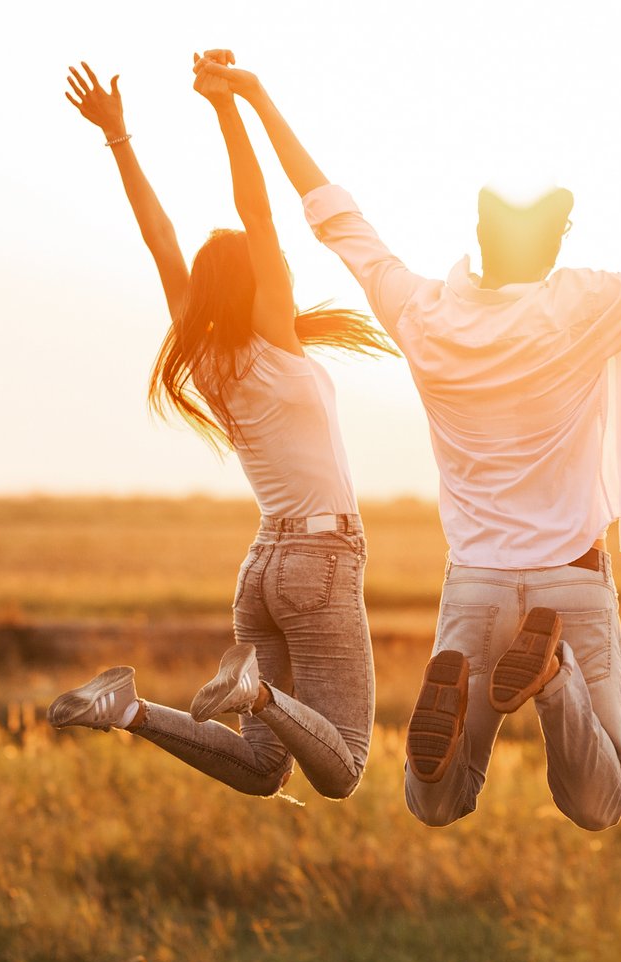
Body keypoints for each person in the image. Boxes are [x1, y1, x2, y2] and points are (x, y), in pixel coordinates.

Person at [191, 54, 621, 832]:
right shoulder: (586, 305)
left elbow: (333, 214)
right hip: (573, 582)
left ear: (479, 237)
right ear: (554, 246)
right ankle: (553, 679)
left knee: (437, 803)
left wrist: (251, 98)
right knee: (599, 801)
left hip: (476, 583)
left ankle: (455, 731)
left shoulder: (421, 313)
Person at [49, 57, 391, 804]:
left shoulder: (203, 353)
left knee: (265, 773)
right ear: (258, 283)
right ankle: (255, 696)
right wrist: (227, 109)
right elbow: (259, 214)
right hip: (319, 560)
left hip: (262, 571)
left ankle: (128, 708)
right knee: (345, 770)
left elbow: (160, 237)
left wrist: (119, 139)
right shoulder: (273, 333)